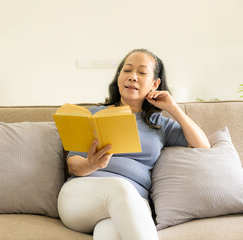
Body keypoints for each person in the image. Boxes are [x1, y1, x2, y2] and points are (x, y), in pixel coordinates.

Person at [57, 49, 210, 240]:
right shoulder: (95, 114)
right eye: (127, 70)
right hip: (80, 198)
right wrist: (92, 164)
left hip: (133, 204)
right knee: (120, 187)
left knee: (108, 232)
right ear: (119, 77)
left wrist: (174, 108)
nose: (132, 77)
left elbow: (203, 146)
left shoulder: (159, 123)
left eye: (142, 72)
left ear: (155, 84)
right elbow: (73, 165)